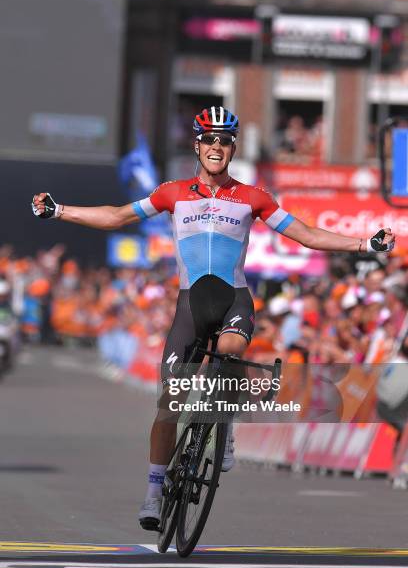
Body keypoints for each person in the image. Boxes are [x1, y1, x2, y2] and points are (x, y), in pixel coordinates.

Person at [32, 106, 396, 530]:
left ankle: (224, 419)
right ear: (197, 144)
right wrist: (60, 211)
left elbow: (307, 235)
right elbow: (117, 216)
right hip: (190, 304)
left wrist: (363, 243)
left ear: (233, 148)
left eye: (224, 141)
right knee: (168, 405)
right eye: (209, 139)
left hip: (233, 300)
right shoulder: (172, 193)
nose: (216, 147)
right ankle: (153, 494)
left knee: (230, 350)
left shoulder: (253, 197)